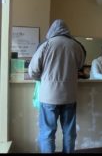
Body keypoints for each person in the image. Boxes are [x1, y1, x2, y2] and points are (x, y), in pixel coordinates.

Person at [28, 19, 85, 153]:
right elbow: (80, 65)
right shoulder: (76, 46)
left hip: (48, 97)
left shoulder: (46, 45)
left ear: (51, 30)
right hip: (69, 96)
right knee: (69, 133)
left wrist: (43, 79)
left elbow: (32, 71)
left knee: (47, 133)